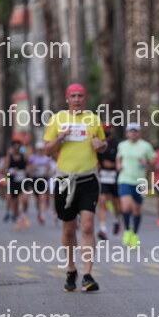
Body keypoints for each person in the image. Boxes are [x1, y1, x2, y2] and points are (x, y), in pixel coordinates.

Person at [44, 83, 107, 292]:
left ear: (84, 98)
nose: (77, 99)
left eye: (80, 95)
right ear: (67, 99)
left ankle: (88, 275)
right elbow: (47, 151)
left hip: (88, 178)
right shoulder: (57, 119)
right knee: (69, 229)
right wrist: (60, 137)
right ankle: (71, 269)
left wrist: (101, 145)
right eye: (73, 96)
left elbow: (103, 144)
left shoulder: (93, 119)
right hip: (64, 180)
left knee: (88, 226)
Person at [116, 123, 155, 247]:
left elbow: (153, 161)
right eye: (131, 131)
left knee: (137, 209)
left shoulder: (146, 146)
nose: (133, 133)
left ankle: (135, 234)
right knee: (126, 206)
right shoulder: (122, 145)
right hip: (125, 179)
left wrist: (147, 162)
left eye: (135, 131)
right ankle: (127, 231)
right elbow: (118, 158)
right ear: (127, 133)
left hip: (139, 181)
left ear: (139, 133)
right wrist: (118, 165)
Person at [96, 124, 122, 240]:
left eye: (108, 128)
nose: (106, 130)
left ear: (112, 129)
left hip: (115, 175)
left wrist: (113, 165)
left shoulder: (117, 144)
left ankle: (117, 219)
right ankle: (103, 229)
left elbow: (122, 159)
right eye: (104, 128)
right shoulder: (98, 142)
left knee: (116, 201)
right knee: (101, 201)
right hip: (102, 176)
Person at [2, 141, 30, 231]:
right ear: (13, 148)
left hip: (23, 180)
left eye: (18, 146)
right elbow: (5, 170)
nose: (17, 148)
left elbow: (29, 165)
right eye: (15, 146)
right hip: (14, 181)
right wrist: (11, 171)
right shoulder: (9, 157)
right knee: (15, 202)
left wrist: (28, 170)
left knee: (25, 198)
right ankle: (17, 219)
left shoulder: (24, 156)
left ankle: (24, 214)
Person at [28, 141, 51, 225]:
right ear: (36, 150)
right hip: (35, 179)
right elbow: (28, 169)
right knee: (37, 199)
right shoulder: (32, 158)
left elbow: (49, 168)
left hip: (43, 179)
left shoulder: (46, 158)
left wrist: (47, 171)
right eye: (39, 149)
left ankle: (42, 215)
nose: (40, 151)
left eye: (41, 149)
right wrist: (32, 168)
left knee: (43, 197)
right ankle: (39, 211)